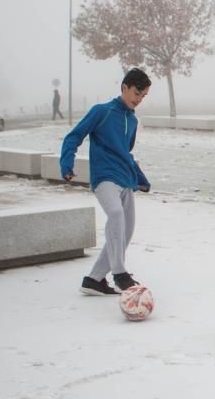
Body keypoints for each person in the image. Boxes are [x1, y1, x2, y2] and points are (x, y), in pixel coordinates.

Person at [61, 68, 152, 295]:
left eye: (143, 96)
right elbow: (74, 136)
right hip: (104, 177)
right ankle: (119, 273)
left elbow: (125, 153)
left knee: (125, 231)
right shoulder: (101, 111)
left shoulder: (132, 120)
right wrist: (67, 164)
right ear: (124, 87)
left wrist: (140, 177)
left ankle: (94, 279)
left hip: (125, 179)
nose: (139, 99)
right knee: (115, 214)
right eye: (137, 93)